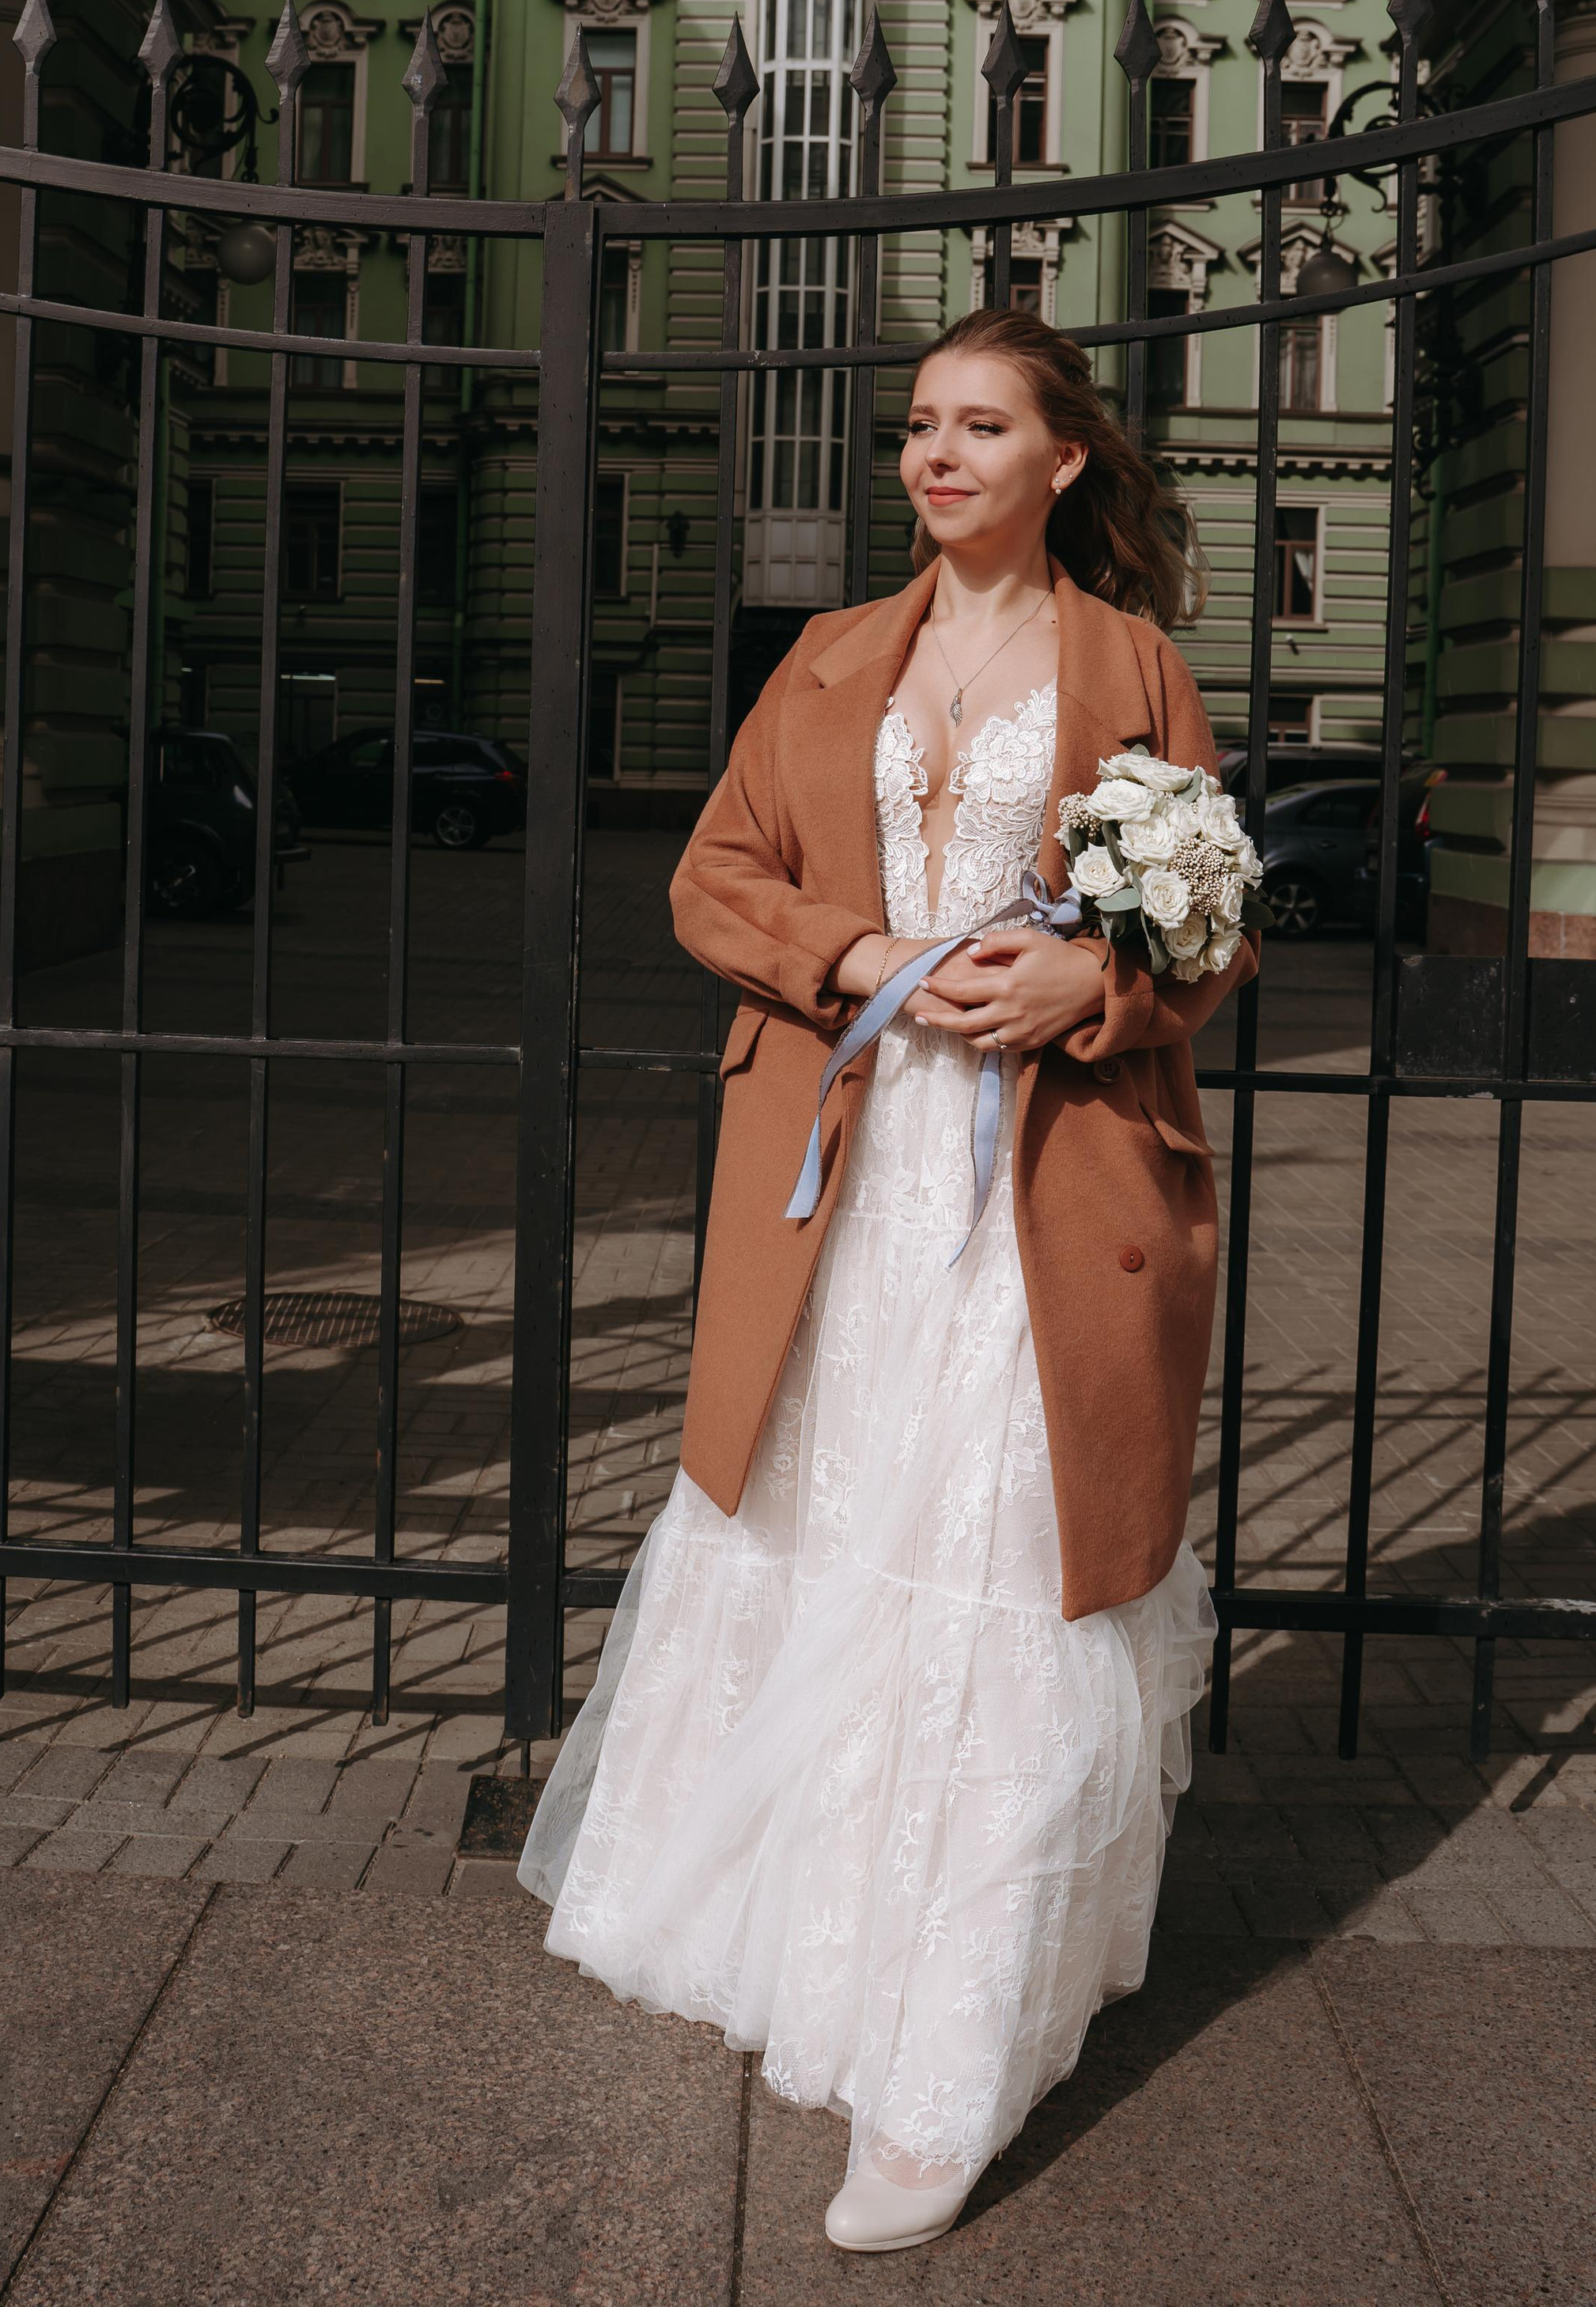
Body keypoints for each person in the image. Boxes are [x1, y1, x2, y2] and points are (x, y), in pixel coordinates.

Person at [520, 306, 1258, 2253]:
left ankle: (945, 2067)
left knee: (1014, 1557)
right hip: (842, 1184)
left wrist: (1099, 983)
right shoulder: (827, 660)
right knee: (825, 1518)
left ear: (1061, 460)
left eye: (977, 426)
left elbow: (1217, 922)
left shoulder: (1134, 667)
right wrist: (859, 963)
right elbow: (710, 879)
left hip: (1051, 1184)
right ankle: (810, 1940)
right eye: (917, 428)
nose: (934, 456)